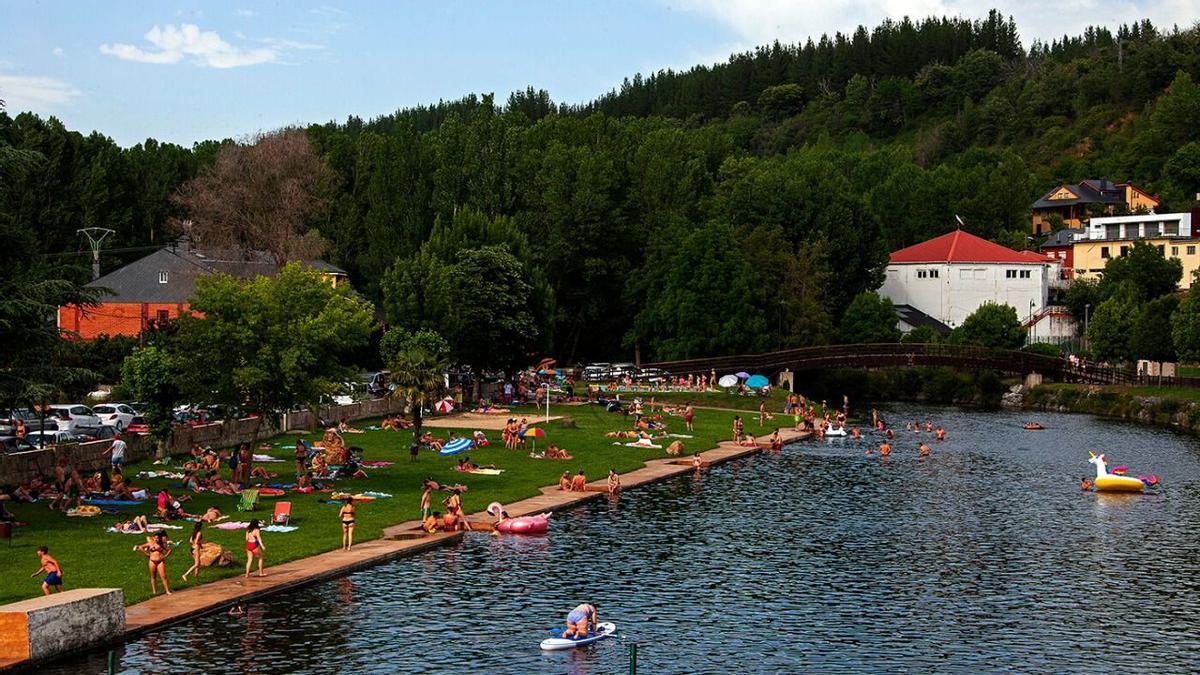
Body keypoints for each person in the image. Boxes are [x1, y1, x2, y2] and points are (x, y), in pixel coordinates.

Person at [135, 531, 172, 595]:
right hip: (152, 561)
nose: (156, 539)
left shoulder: (162, 544)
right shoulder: (150, 543)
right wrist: (146, 554)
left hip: (160, 561)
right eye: (155, 538)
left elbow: (169, 550)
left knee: (163, 576)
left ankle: (167, 591)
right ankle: (154, 591)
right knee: (153, 576)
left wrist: (165, 556)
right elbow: (141, 547)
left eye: (158, 538)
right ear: (153, 538)